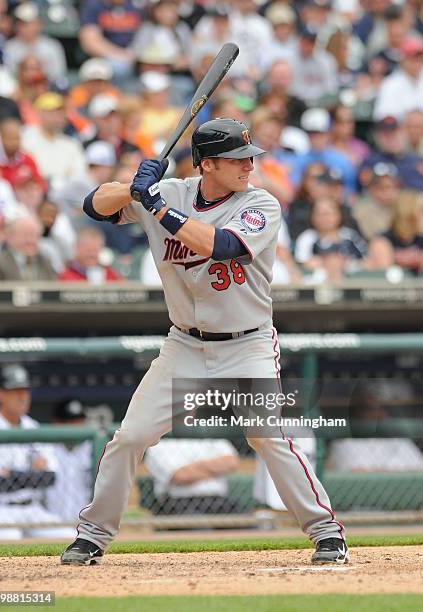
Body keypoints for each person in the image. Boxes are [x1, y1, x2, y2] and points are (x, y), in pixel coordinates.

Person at [61, 117, 348, 566]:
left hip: (247, 342)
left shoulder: (261, 203)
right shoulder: (171, 192)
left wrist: (155, 207)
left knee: (268, 435)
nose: (249, 166)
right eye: (238, 159)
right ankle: (93, 534)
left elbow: (223, 245)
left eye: (251, 158)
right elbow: (93, 206)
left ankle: (326, 532)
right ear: (207, 164)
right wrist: (131, 186)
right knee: (130, 436)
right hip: (184, 345)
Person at [0, 364, 73, 539]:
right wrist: (31, 474)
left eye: (25, 390)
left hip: (32, 508)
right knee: (9, 538)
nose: (22, 396)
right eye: (15, 390)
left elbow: (50, 477)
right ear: (0, 394)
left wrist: (12, 474)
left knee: (68, 535)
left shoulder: (33, 427)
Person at [144, 437, 242, 515]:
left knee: (246, 523)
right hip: (179, 503)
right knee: (201, 532)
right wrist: (214, 470)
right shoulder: (158, 444)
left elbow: (232, 462)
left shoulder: (214, 439)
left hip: (218, 500)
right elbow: (181, 476)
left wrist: (192, 468)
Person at [45, 399, 93, 523]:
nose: (73, 426)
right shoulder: (45, 448)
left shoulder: (93, 449)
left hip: (85, 522)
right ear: (55, 422)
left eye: (77, 421)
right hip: (49, 521)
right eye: (67, 421)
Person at [4, 2, 67, 85]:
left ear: (39, 24)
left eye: (27, 24)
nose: (22, 27)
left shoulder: (52, 46)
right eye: (19, 23)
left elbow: (58, 77)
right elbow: (9, 77)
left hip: (47, 91)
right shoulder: (9, 47)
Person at [0, 213, 56, 281]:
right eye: (25, 235)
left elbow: (53, 288)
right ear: (9, 237)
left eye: (35, 235)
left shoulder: (45, 261)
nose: (30, 240)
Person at [58, 225, 122, 283]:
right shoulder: (65, 276)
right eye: (88, 250)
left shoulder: (110, 273)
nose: (92, 254)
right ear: (76, 248)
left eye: (95, 250)